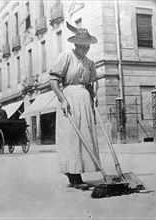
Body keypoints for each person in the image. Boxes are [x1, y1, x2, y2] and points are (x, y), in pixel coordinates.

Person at [49, 22, 100, 190]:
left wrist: (93, 97)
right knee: (72, 136)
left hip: (84, 100)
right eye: (82, 45)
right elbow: (54, 80)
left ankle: (78, 171)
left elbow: (90, 85)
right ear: (75, 44)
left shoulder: (89, 63)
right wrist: (63, 100)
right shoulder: (66, 57)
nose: (85, 48)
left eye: (87, 45)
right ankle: (73, 175)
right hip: (69, 98)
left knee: (85, 135)